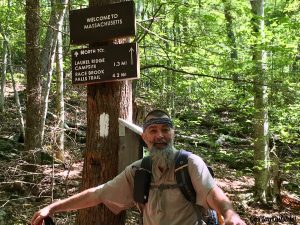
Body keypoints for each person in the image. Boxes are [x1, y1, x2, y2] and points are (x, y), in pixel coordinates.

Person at [31, 109, 246, 225]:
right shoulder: (138, 171)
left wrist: (229, 213)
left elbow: (212, 192)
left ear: (173, 134)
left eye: (165, 130)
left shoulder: (190, 163)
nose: (159, 135)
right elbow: (97, 194)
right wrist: (53, 207)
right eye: (153, 131)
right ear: (144, 137)